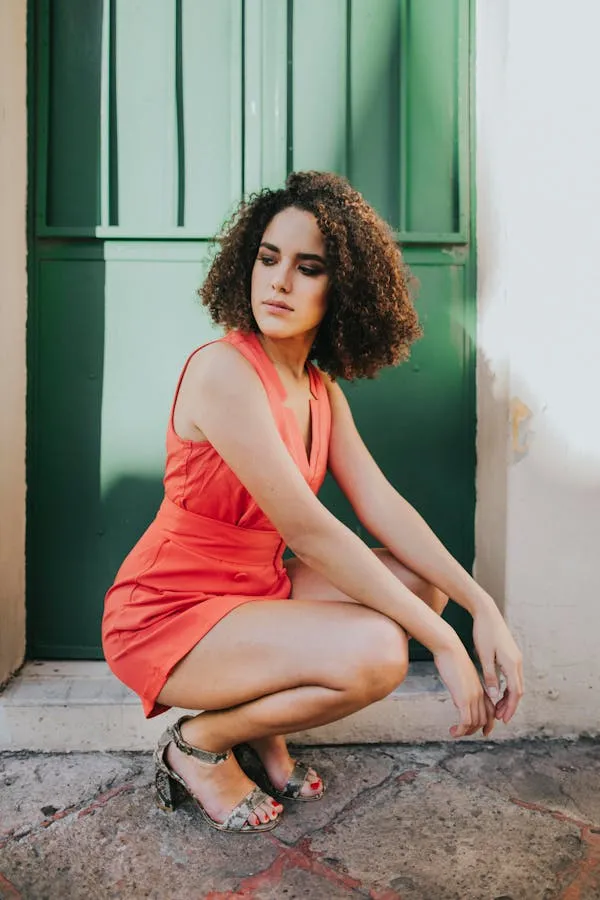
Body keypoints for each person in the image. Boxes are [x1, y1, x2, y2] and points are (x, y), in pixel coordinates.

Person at [102, 171, 523, 835]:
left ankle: (261, 727)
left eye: (308, 268)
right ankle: (201, 743)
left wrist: (481, 605)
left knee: (421, 584)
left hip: (254, 590)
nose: (279, 282)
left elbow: (383, 506)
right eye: (268, 259)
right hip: (169, 610)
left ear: (342, 288)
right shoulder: (223, 370)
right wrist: (444, 642)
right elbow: (310, 530)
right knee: (381, 652)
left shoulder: (320, 390)